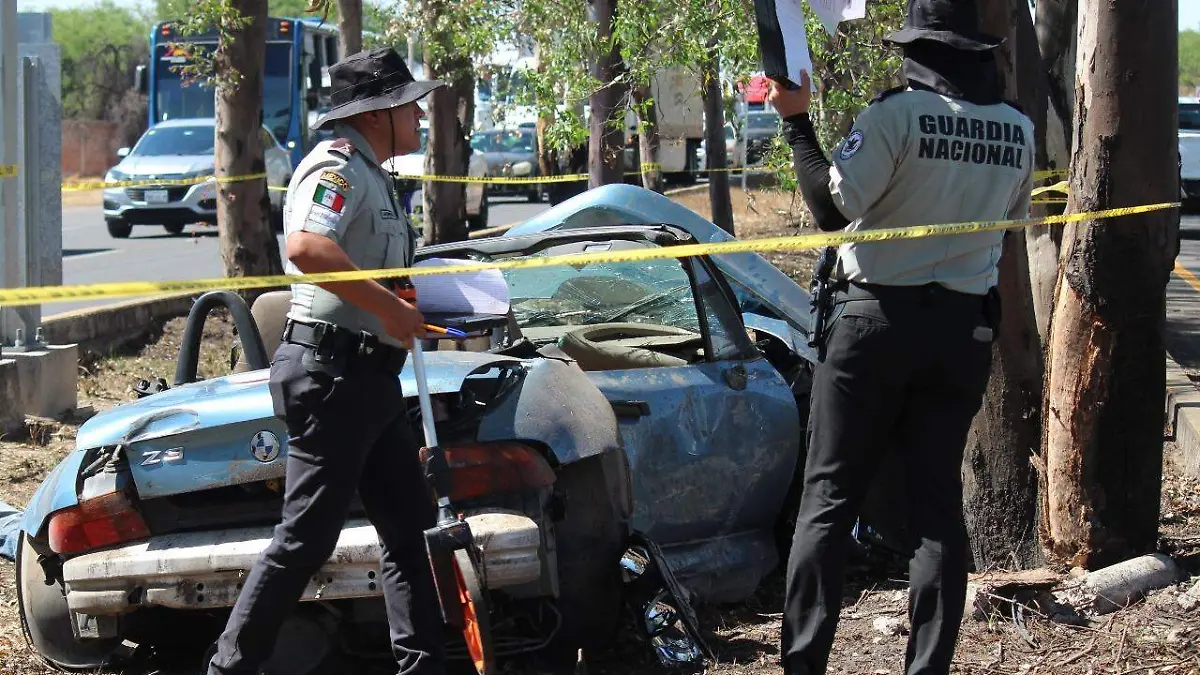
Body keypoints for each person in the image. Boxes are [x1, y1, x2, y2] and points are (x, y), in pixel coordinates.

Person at [766, 0, 1034, 673]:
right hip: (962, 333)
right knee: (937, 507)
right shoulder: (1019, 132)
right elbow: (1007, 224)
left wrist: (796, 120)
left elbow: (832, 207)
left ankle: (804, 664)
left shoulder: (895, 116)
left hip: (875, 324)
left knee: (827, 499)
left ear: (920, 50)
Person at [207, 47, 447, 675]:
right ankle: (229, 666)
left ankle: (422, 662)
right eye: (409, 107)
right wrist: (389, 310)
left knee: (411, 529)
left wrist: (404, 298)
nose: (419, 117)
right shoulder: (337, 168)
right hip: (333, 376)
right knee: (306, 539)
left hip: (367, 378)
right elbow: (309, 248)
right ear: (375, 115)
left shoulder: (373, 173)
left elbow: (364, 268)